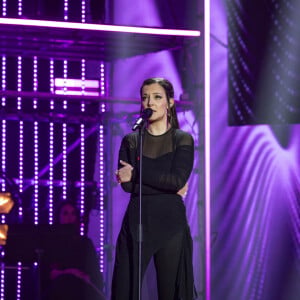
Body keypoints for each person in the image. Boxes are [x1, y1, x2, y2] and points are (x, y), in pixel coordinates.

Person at [111, 78, 197, 299]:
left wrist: (138, 173)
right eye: (145, 97)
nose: (150, 102)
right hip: (137, 221)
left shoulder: (182, 139)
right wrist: (165, 185)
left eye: (157, 97)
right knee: (125, 290)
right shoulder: (131, 140)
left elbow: (176, 180)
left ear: (169, 102)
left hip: (170, 224)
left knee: (170, 293)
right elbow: (128, 186)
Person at [42, 201, 105, 300]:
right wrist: (69, 272)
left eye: (73, 214)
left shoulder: (85, 243)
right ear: (59, 217)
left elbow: (95, 275)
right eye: (65, 213)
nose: (69, 218)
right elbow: (45, 274)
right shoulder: (51, 243)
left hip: (80, 292)